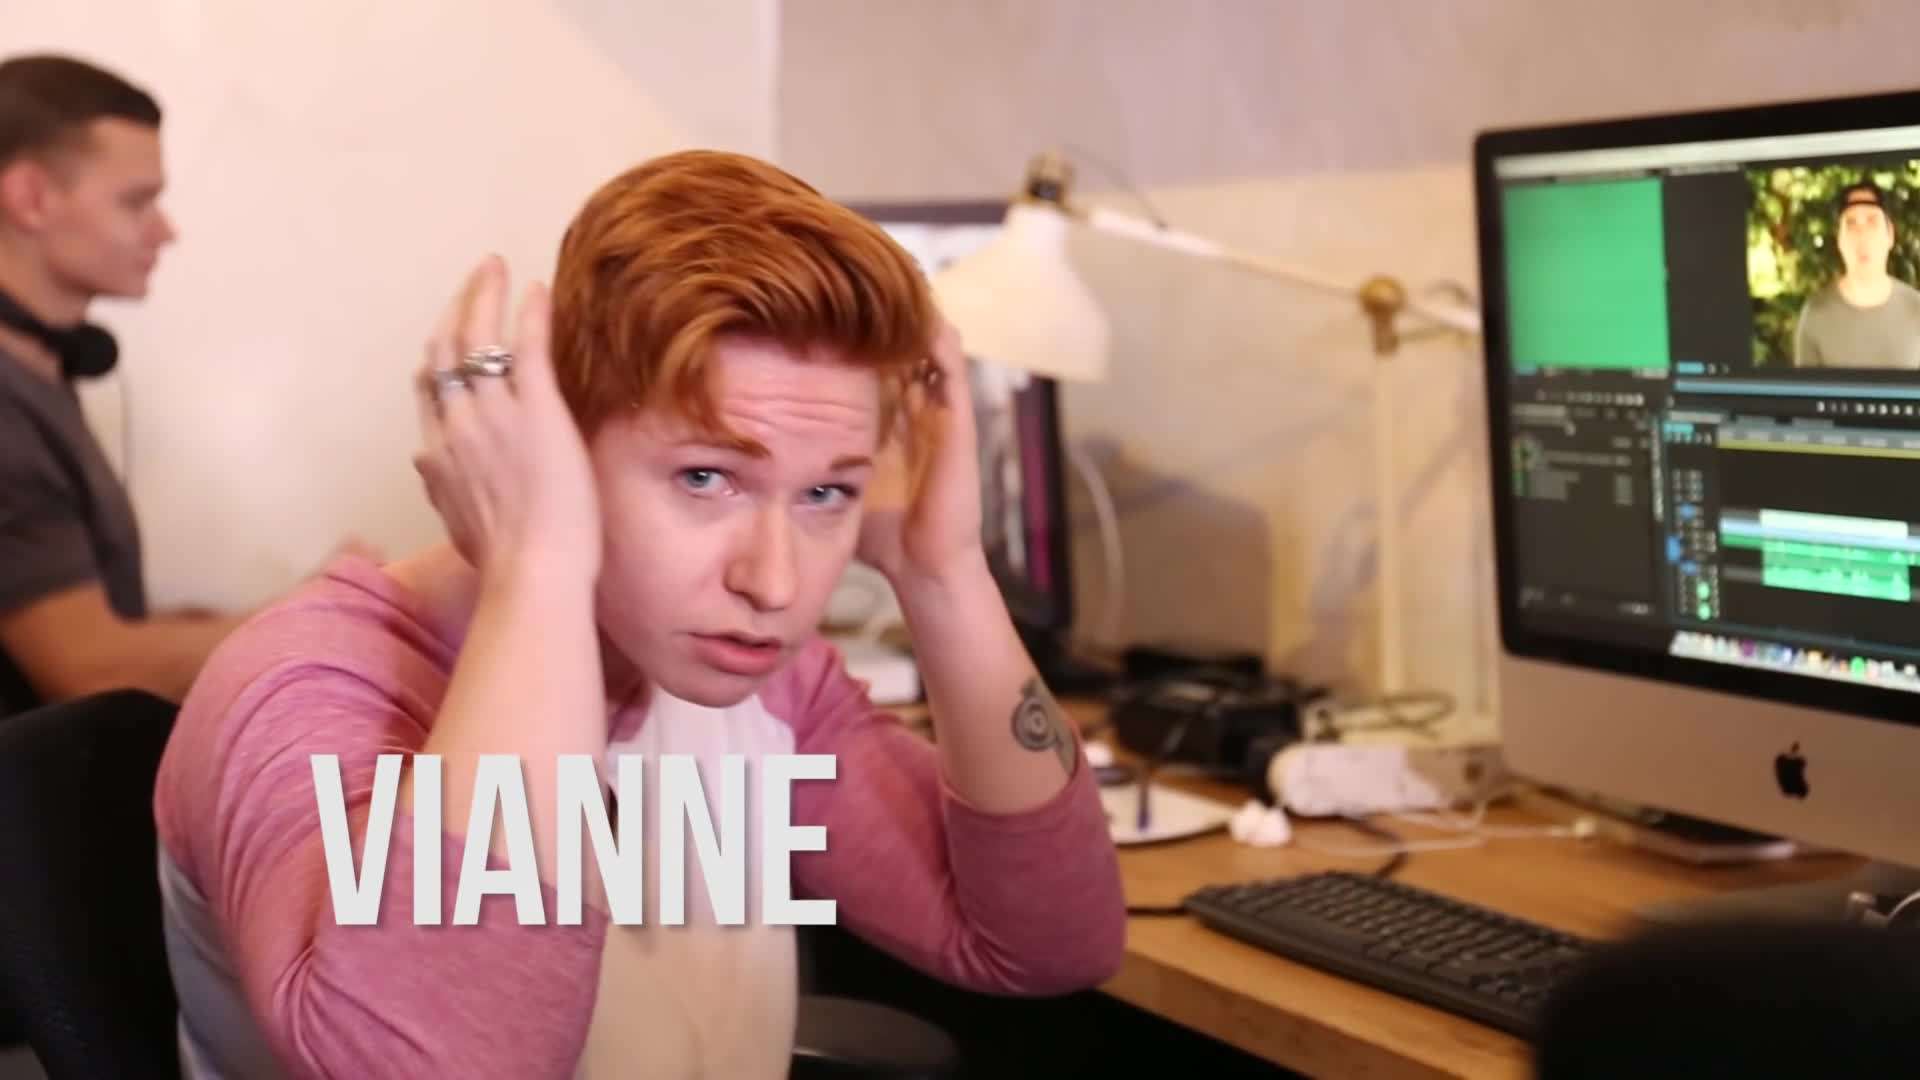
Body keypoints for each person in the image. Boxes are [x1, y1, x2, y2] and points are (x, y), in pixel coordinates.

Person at [152, 150, 1126, 1078]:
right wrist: (538, 571)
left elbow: (1048, 942)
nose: (774, 583)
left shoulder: (764, 683)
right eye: (706, 477)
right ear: (551, 441)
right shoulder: (303, 690)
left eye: (826, 493)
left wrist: (943, 573)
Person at [0, 54, 364, 717]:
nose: (165, 231)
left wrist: (286, 608)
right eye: (136, 201)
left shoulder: (38, 379)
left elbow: (100, 624)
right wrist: (320, 616)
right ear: (31, 198)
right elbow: (90, 669)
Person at [1792, 180, 1920, 369]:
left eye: (1872, 222)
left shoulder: (1916, 309)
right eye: (1851, 224)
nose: (1862, 236)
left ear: (1890, 235)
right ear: (1839, 240)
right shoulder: (1815, 315)